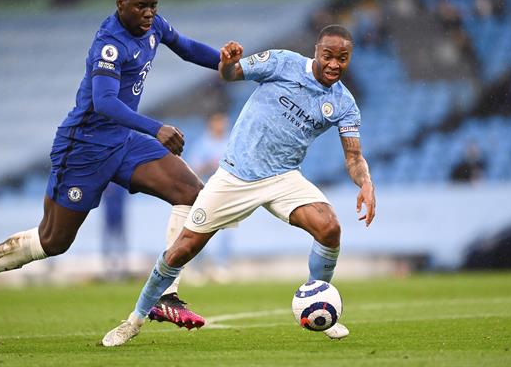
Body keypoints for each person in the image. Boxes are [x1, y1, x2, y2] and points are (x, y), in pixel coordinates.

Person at [0, 0, 221, 330]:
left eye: (153, 5)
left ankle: (164, 296)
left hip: (123, 140)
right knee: (52, 241)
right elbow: (103, 103)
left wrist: (229, 63)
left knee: (192, 193)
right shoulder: (109, 44)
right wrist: (156, 128)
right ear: (121, 4)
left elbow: (186, 46)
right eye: (140, 6)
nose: (149, 13)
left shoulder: (154, 27)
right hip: (83, 147)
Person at [101, 25, 377, 347]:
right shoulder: (283, 62)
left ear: (349, 59)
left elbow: (354, 157)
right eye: (328, 56)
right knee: (182, 249)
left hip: (284, 177)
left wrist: (366, 182)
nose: (334, 64)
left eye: (342, 59)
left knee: (329, 228)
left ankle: (317, 301)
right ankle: (134, 320)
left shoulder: (343, 103)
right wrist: (229, 62)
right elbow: (230, 74)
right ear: (316, 51)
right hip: (235, 175)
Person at [187, 112, 233, 282]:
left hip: (227, 192)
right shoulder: (202, 144)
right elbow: (194, 169)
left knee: (226, 231)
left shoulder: (232, 141)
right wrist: (209, 165)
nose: (221, 125)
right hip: (206, 192)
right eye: (218, 122)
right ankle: (197, 268)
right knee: (200, 228)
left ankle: (221, 266)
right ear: (211, 124)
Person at [101, 183, 128, 280]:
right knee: (108, 245)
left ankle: (121, 268)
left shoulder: (121, 186)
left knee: (119, 244)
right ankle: (108, 269)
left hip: (119, 218)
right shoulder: (106, 184)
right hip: (109, 219)